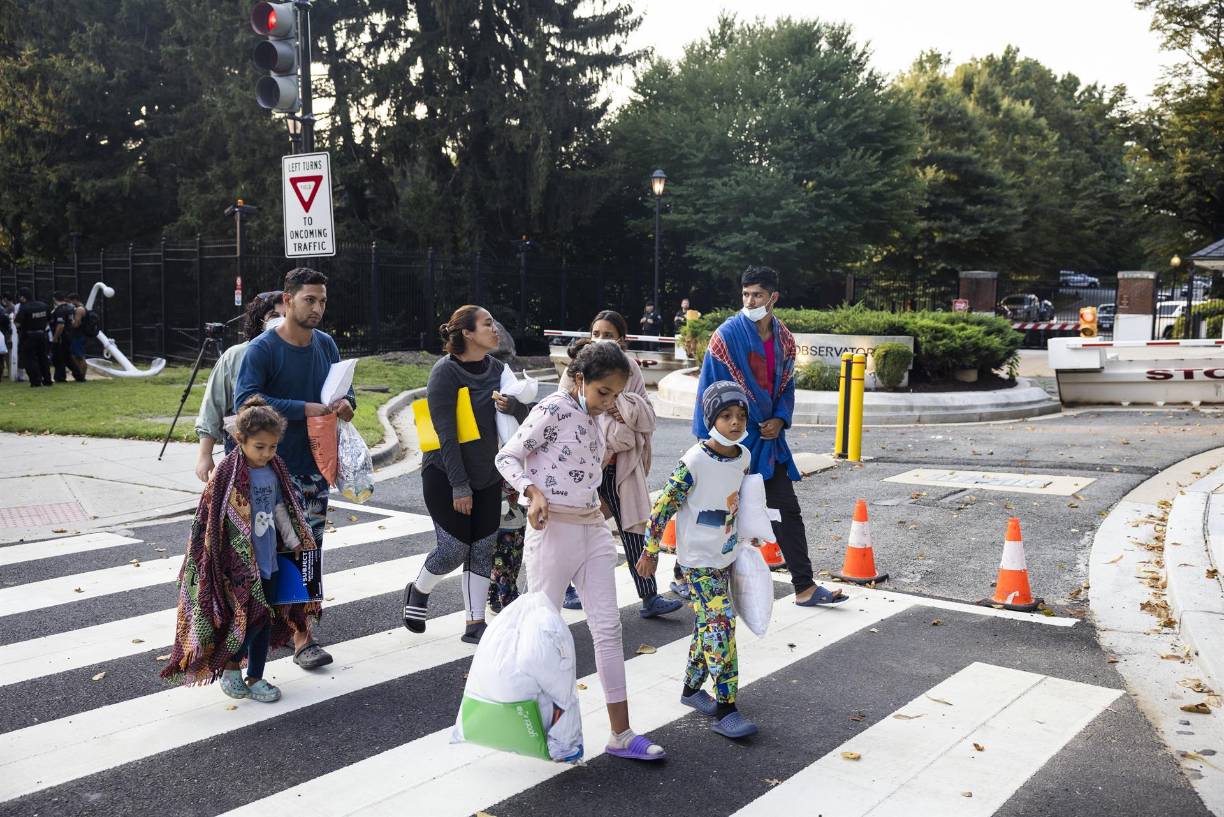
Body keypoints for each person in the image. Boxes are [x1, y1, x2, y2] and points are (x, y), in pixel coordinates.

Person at [496, 341, 668, 762]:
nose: (609, 402)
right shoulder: (553, 409)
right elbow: (508, 457)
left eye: (616, 395)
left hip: (592, 531)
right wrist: (531, 491)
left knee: (609, 629)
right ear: (579, 380)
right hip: (552, 532)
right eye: (603, 393)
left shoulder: (596, 417)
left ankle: (620, 733)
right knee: (545, 635)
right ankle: (540, 729)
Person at [694, 265, 848, 606]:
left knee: (786, 512)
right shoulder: (726, 335)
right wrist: (724, 431)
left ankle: (804, 586)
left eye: (758, 295)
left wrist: (780, 418)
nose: (750, 301)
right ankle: (684, 574)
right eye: (746, 294)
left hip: (768, 442)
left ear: (773, 297)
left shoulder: (784, 339)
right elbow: (710, 390)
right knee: (714, 513)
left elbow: (786, 385)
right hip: (731, 441)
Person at [234, 267, 356, 670]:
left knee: (308, 553)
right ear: (287, 301)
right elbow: (247, 402)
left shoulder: (326, 344)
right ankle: (255, 637)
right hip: (270, 473)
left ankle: (304, 638)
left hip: (316, 471)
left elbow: (345, 391)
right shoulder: (263, 349)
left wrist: (346, 406)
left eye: (322, 300)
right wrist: (303, 410)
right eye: (309, 299)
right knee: (267, 557)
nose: (318, 307)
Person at [161, 396, 317, 703]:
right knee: (246, 619)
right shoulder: (226, 475)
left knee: (264, 619)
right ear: (240, 440)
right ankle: (232, 667)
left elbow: (280, 509)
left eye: (273, 447)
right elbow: (210, 521)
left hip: (269, 561)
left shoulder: (275, 472)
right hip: (236, 568)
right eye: (260, 446)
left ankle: (256, 677)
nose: (267, 453)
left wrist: (295, 540)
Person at [639, 380, 758, 738]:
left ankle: (692, 689)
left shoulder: (744, 456)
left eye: (740, 416)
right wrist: (650, 551)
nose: (735, 423)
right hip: (696, 563)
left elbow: (742, 502)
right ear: (711, 419)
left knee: (708, 624)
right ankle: (727, 708)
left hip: (726, 556)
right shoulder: (694, 461)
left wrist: (750, 541)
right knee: (722, 625)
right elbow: (663, 506)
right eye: (726, 416)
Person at [401, 305, 524, 644]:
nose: (494, 329)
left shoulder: (499, 369)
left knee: (483, 548)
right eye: (487, 324)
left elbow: (524, 415)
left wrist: (513, 406)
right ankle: (419, 589)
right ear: (468, 333)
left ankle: (474, 623)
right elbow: (445, 434)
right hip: (446, 474)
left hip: (488, 474)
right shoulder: (445, 372)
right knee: (454, 548)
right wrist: (459, 485)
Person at [557, 311, 682, 619]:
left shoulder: (631, 370)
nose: (601, 339)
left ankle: (649, 596)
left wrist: (621, 406)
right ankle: (562, 588)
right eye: (596, 332)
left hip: (618, 463)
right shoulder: (578, 367)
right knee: (573, 527)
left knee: (632, 528)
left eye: (608, 334)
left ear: (622, 340)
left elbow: (646, 416)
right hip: (581, 464)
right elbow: (561, 410)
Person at [194, 291, 287, 482]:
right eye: (275, 316)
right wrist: (205, 454)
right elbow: (213, 405)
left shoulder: (297, 354)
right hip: (243, 455)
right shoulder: (235, 356)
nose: (282, 321)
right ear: (259, 320)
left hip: (287, 454)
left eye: (287, 316)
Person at [14, 288, 52, 388]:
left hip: (28, 336)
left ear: (23, 297)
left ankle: (36, 381)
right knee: (43, 358)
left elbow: (17, 323)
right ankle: (47, 380)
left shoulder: (24, 308)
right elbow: (49, 320)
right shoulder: (43, 305)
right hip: (42, 335)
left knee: (30, 359)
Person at [49, 292, 85, 382]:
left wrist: (55, 338)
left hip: (61, 337)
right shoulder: (70, 308)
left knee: (58, 357)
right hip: (69, 335)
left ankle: (60, 377)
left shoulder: (60, 310)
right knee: (68, 357)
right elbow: (73, 322)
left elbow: (60, 325)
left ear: (54, 299)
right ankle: (79, 375)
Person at [66, 293, 88, 375]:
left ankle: (82, 374)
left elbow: (76, 324)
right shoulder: (82, 308)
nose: (70, 303)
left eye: (70, 301)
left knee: (79, 356)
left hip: (78, 335)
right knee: (76, 355)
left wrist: (69, 322)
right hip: (79, 335)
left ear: (75, 300)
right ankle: (79, 373)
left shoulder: (79, 309)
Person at [0, 294, 10, 382]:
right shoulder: (2, 310)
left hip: (2, 334)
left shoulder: (1, 310)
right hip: (3, 334)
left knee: (3, 355)